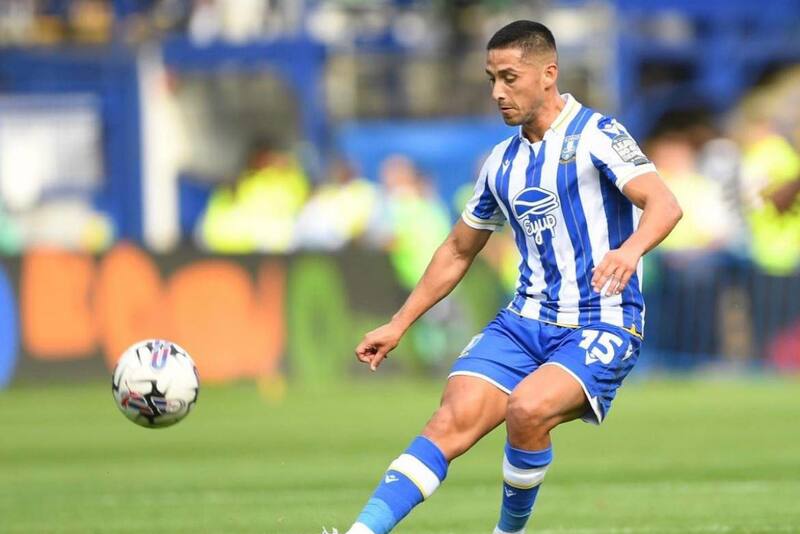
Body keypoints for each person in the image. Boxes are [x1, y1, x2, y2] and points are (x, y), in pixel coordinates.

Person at [336, 20, 682, 534]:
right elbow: (457, 249)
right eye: (491, 79)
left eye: (509, 77)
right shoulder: (501, 163)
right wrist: (400, 322)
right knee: (448, 422)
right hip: (523, 321)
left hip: (600, 322)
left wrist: (631, 251)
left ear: (548, 74)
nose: (498, 92)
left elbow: (664, 204)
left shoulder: (598, 134)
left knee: (527, 408)